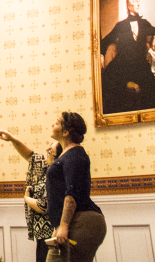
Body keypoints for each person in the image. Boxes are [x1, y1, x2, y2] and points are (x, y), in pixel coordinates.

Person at [46, 112, 106, 262]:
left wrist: (63, 226)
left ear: (66, 132)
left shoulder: (75, 154)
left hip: (81, 221)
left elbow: (72, 192)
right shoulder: (66, 155)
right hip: (74, 221)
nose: (53, 125)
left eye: (57, 123)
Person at [0, 130, 63, 262]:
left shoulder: (58, 175)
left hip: (51, 233)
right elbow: (30, 155)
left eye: (50, 150)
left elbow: (44, 206)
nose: (47, 151)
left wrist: (27, 198)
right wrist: (12, 139)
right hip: (41, 234)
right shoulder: (45, 166)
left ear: (58, 158)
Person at [100, 0, 155, 113]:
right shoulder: (121, 25)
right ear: (129, 6)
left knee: (150, 87)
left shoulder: (144, 23)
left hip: (139, 65)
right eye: (135, 1)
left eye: (139, 0)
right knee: (107, 80)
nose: (138, 3)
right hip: (122, 64)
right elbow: (105, 41)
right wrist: (102, 55)